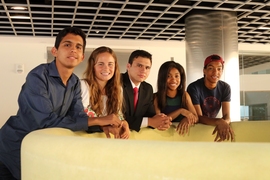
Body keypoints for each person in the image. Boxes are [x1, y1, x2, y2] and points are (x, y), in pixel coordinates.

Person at [0, 27, 122, 180]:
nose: (73, 50)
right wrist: (98, 120)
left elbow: (77, 116)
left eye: (78, 47)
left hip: (39, 147)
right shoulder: (38, 76)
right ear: (55, 51)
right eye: (67, 45)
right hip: (14, 144)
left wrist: (102, 126)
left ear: (82, 57)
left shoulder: (74, 82)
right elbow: (45, 121)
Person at [81, 46, 130, 139]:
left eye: (110, 64)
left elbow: (117, 115)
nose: (106, 68)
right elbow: (83, 115)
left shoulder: (118, 89)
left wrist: (124, 123)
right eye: (100, 64)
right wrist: (104, 124)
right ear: (93, 66)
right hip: (86, 138)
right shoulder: (83, 85)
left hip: (106, 139)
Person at [187, 54, 234, 142]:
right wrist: (219, 122)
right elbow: (199, 118)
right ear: (204, 70)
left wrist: (225, 123)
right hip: (195, 130)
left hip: (210, 128)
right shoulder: (194, 87)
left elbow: (227, 116)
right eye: (211, 68)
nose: (215, 72)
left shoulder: (225, 87)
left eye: (219, 69)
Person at [121, 50, 171, 132]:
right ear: (128, 66)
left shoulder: (147, 89)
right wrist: (150, 121)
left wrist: (161, 120)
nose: (143, 70)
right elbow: (118, 117)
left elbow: (150, 116)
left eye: (147, 67)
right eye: (139, 65)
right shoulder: (116, 83)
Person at [153, 61, 198, 135]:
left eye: (176, 76)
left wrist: (187, 119)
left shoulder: (185, 95)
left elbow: (196, 118)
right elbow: (161, 121)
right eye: (168, 76)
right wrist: (181, 111)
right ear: (162, 78)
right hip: (164, 136)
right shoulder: (156, 97)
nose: (173, 80)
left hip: (183, 136)